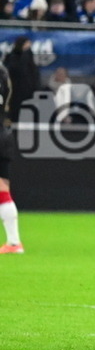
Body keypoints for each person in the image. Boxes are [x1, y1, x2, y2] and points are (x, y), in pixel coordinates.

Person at [0, 62, 22, 254]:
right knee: (3, 188)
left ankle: (14, 243)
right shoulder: (4, 78)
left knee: (2, 190)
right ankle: (14, 242)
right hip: (3, 135)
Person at [2, 36, 41, 122]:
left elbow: (34, 75)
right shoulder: (11, 58)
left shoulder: (30, 60)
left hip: (28, 93)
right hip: (14, 92)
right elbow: (13, 70)